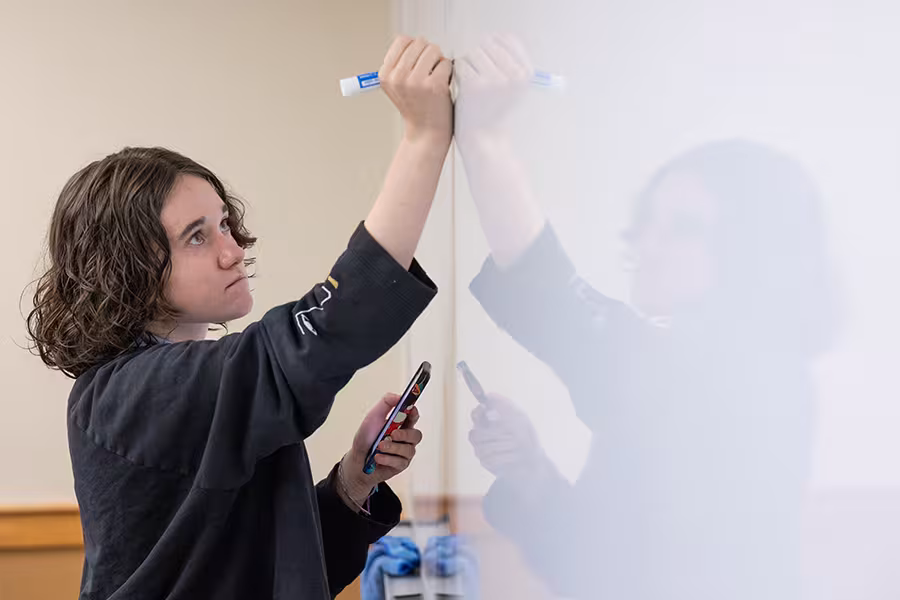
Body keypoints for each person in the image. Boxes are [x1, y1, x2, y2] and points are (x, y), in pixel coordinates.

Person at [25, 35, 452, 600]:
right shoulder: (126, 394)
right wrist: (424, 137)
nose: (231, 251)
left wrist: (354, 479)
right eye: (196, 237)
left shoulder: (198, 391)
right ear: (126, 270)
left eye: (223, 223)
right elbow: (317, 337)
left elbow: (268, 569)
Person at [458, 37, 839, 599]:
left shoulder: (757, 377)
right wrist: (533, 469)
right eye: (649, 221)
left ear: (754, 250)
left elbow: (559, 307)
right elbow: (594, 559)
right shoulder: (679, 373)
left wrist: (484, 137)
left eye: (683, 228)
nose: (648, 243)